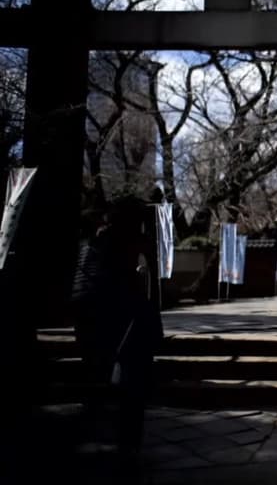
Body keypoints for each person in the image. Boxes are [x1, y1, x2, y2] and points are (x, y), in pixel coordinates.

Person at [74, 196, 163, 481]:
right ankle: (127, 447)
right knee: (132, 390)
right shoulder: (134, 243)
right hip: (129, 323)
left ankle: (98, 441)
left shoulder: (94, 243)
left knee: (101, 383)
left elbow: (84, 288)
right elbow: (146, 290)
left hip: (96, 322)